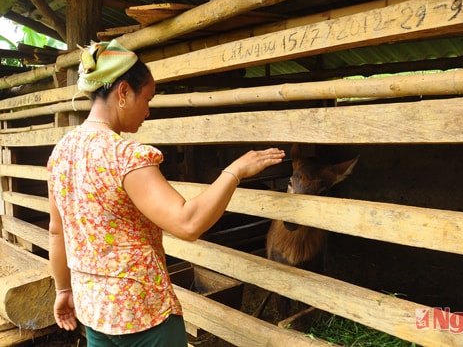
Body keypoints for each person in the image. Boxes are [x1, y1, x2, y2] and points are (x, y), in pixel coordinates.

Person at [47, 40, 285, 346]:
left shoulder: (61, 152)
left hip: (94, 311)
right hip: (143, 313)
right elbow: (187, 223)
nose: (147, 110)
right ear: (123, 93)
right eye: (147, 99)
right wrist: (235, 171)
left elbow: (57, 231)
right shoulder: (125, 156)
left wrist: (63, 290)